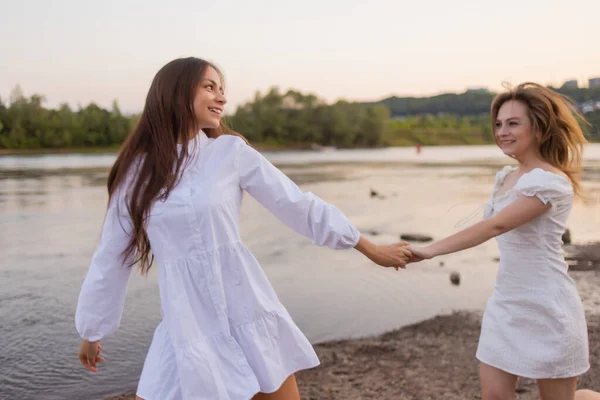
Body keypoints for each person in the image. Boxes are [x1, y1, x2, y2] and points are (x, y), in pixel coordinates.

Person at [74, 57, 411, 400]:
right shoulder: (136, 173)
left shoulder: (230, 152)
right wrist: (92, 329)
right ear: (174, 93)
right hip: (186, 323)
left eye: (222, 89)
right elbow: (111, 257)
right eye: (209, 87)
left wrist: (367, 246)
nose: (221, 97)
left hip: (246, 308)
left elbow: (297, 204)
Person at [408, 82, 589, 400]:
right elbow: (490, 224)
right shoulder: (505, 177)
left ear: (539, 127)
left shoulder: (550, 182)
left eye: (513, 123)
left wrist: (429, 250)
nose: (502, 131)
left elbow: (496, 225)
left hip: (548, 306)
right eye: (498, 124)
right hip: (506, 304)